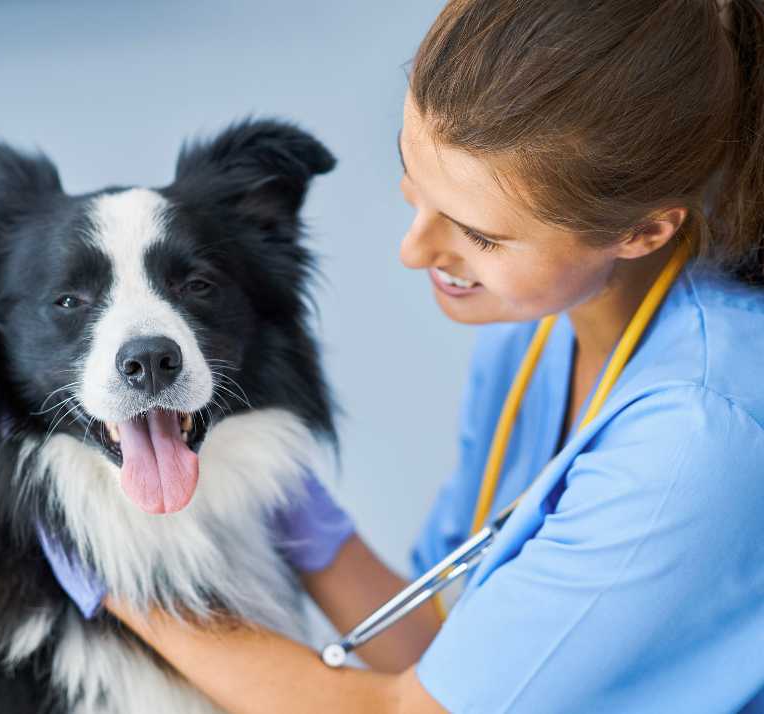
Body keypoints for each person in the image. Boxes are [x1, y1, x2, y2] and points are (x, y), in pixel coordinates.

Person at [46, 1, 764, 711]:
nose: (413, 250)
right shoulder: (533, 332)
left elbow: (412, 712)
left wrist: (129, 600)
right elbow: (454, 654)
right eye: (412, 190)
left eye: (480, 235)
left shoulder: (697, 435)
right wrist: (313, 533)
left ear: (642, 232)